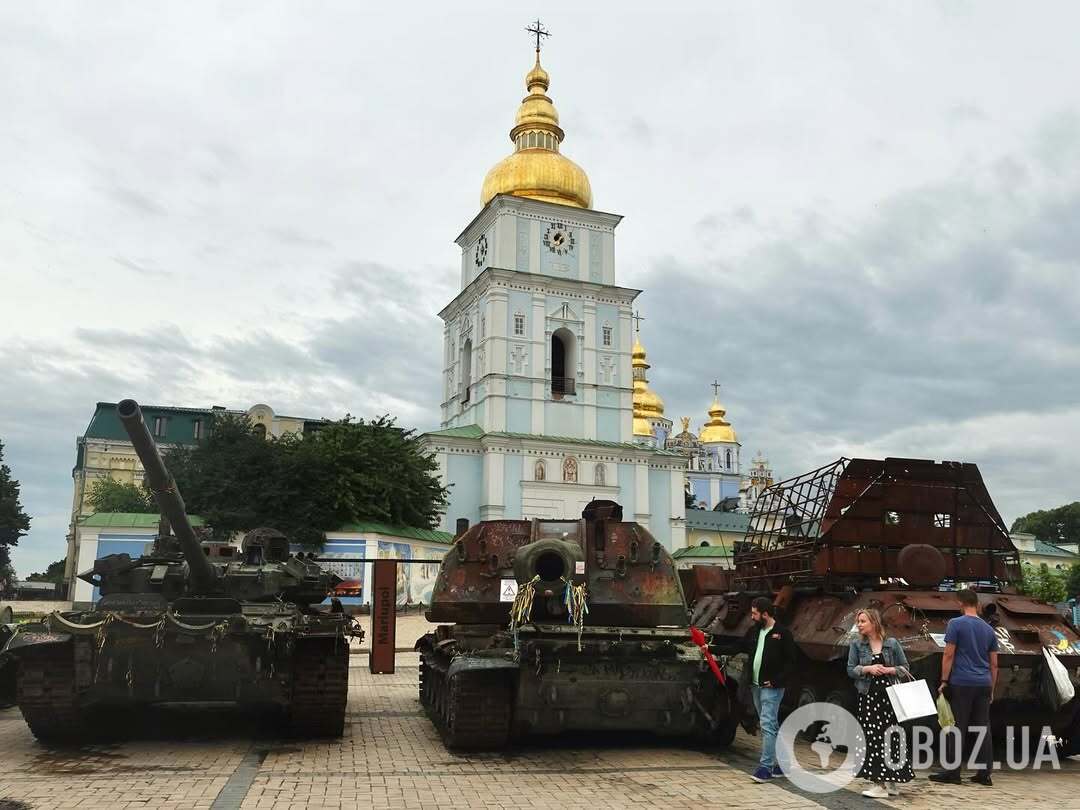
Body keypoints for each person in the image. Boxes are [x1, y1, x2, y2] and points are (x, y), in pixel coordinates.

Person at [929, 588, 998, 787]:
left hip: (962, 682)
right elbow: (994, 664)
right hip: (984, 683)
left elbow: (949, 654)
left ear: (960, 603)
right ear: (977, 604)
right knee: (983, 727)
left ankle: (953, 772)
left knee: (956, 726)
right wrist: (992, 689)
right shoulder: (989, 629)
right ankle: (984, 774)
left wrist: (944, 680)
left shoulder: (955, 624)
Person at [846, 608, 915, 798]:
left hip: (889, 699)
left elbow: (905, 668)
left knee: (891, 738)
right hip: (869, 698)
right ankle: (879, 783)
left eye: (863, 621)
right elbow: (850, 669)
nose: (859, 625)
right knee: (873, 739)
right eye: (858, 621)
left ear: (874, 622)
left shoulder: (892, 643)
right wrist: (867, 668)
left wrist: (889, 670)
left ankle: (890, 782)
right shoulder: (857, 645)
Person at [744, 596, 797, 783]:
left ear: (765, 614)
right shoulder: (754, 631)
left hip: (771, 688)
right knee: (770, 725)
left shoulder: (783, 633)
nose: (752, 617)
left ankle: (765, 767)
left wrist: (775, 681)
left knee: (767, 725)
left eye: (755, 614)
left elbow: (792, 662)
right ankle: (782, 764)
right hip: (756, 686)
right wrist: (710, 647)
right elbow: (738, 647)